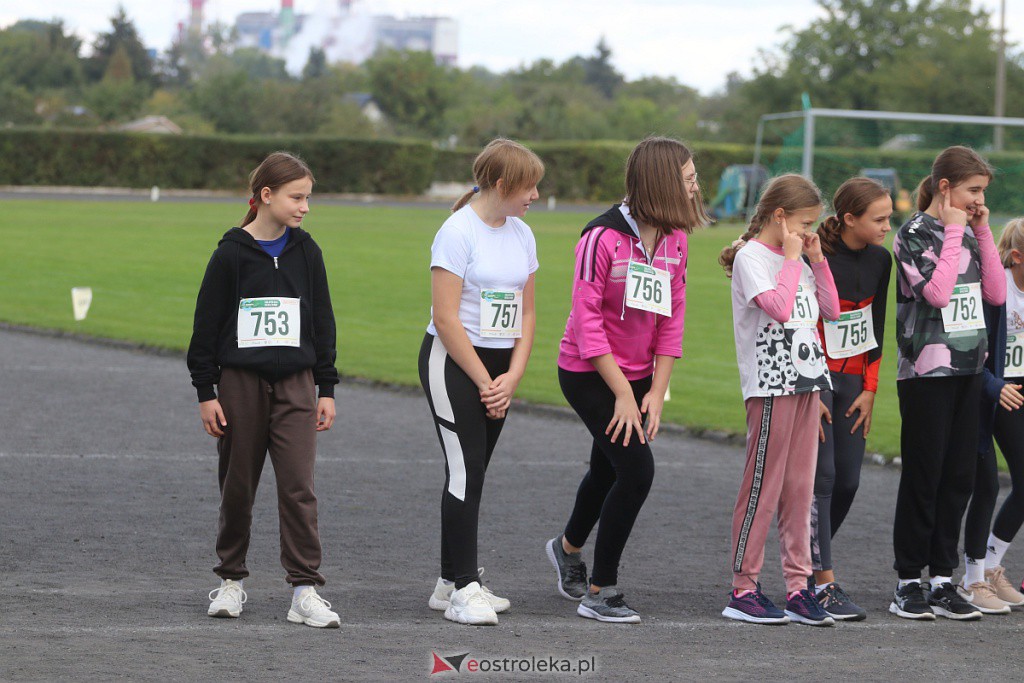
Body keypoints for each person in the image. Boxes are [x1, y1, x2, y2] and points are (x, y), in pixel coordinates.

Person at [545, 137, 705, 624]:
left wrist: (655, 390)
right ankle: (600, 590)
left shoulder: (676, 240)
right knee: (636, 472)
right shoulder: (601, 238)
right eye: (689, 179)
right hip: (588, 372)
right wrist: (621, 394)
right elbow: (586, 322)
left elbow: (673, 317)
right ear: (662, 182)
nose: (696, 187)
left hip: (639, 376)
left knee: (608, 470)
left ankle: (566, 549)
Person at [187, 151, 341, 628]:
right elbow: (205, 327)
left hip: (296, 386)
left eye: (308, 198)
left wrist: (326, 387)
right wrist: (206, 392)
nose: (305, 207)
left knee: (299, 488)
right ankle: (230, 580)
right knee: (238, 487)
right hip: (240, 386)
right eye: (297, 197)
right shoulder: (230, 254)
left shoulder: (308, 252)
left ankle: (304, 590)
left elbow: (323, 322)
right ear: (266, 196)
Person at [418, 138, 543, 626]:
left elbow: (527, 313)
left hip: (498, 370)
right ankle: (465, 589)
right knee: (465, 469)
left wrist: (511, 376)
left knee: (471, 470)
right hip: (452, 363)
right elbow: (445, 318)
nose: (535, 196)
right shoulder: (457, 231)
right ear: (502, 184)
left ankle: (449, 582)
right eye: (529, 187)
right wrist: (486, 380)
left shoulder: (523, 234)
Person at [718, 173, 840, 627]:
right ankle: (744, 588)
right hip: (771, 387)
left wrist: (816, 260)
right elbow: (780, 308)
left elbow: (830, 311)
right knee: (762, 488)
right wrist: (791, 260)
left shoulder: (800, 259)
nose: (809, 232)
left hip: (807, 384)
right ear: (780, 216)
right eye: (805, 223)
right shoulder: (752, 257)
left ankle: (798, 587)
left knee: (800, 490)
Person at [889, 146, 1005, 621]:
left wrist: (981, 229)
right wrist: (956, 229)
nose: (979, 199)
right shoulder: (913, 233)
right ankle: (907, 580)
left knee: (958, 477)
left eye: (982, 192)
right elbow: (937, 294)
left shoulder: (972, 233)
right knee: (925, 474)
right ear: (945, 187)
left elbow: (995, 293)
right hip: (927, 372)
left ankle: (941, 578)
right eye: (972, 190)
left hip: (969, 370)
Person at [809, 178, 893, 621]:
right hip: (818, 379)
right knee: (822, 480)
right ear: (848, 219)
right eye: (879, 219)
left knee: (847, 482)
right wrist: (810, 388)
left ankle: (807, 563)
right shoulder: (817, 257)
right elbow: (802, 325)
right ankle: (821, 582)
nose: (887, 227)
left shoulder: (881, 259)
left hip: (855, 383)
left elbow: (876, 326)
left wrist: (870, 389)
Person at [961, 217, 1024, 614]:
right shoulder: (997, 291)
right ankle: (972, 576)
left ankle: (991, 566)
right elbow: (974, 349)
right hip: (996, 393)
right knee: (984, 485)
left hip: (1019, 390)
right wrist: (995, 386)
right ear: (1017, 257)